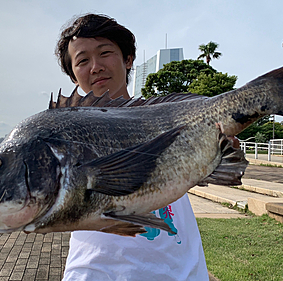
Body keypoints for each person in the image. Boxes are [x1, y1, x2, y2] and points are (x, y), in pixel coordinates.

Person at [55, 14, 209, 280]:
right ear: (73, 76)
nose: (96, 67)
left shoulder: (166, 117)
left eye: (105, 53)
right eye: (82, 61)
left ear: (127, 59)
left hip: (186, 270)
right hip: (97, 272)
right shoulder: (67, 135)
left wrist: (216, 152)